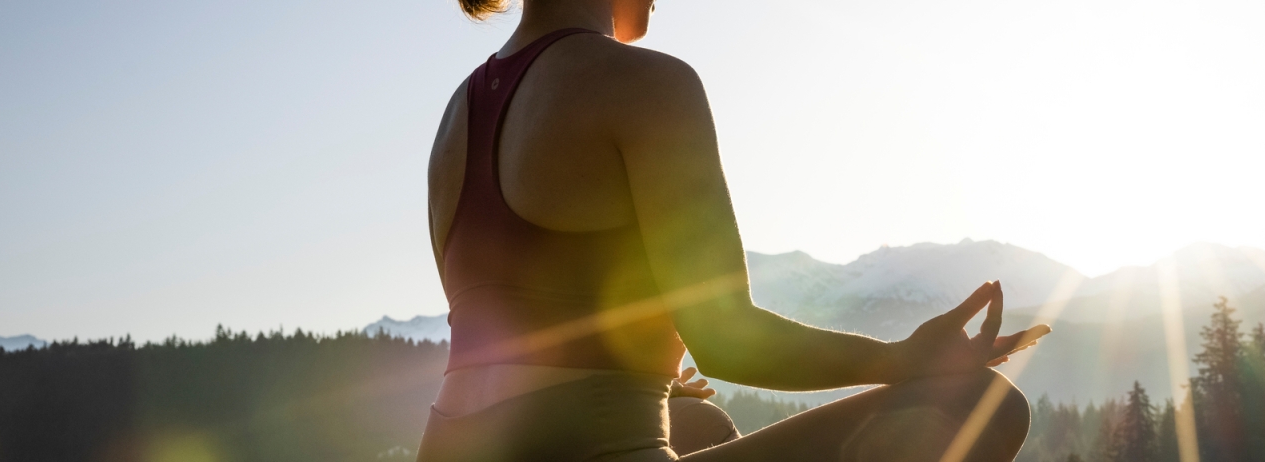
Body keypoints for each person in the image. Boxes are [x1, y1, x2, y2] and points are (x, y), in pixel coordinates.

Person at [416, 0, 1051, 460]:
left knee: (704, 425)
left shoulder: (457, 114)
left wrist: (645, 376)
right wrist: (902, 359)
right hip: (593, 446)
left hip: (449, 447)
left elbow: (520, 327)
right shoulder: (647, 83)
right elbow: (727, 337)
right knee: (983, 404)